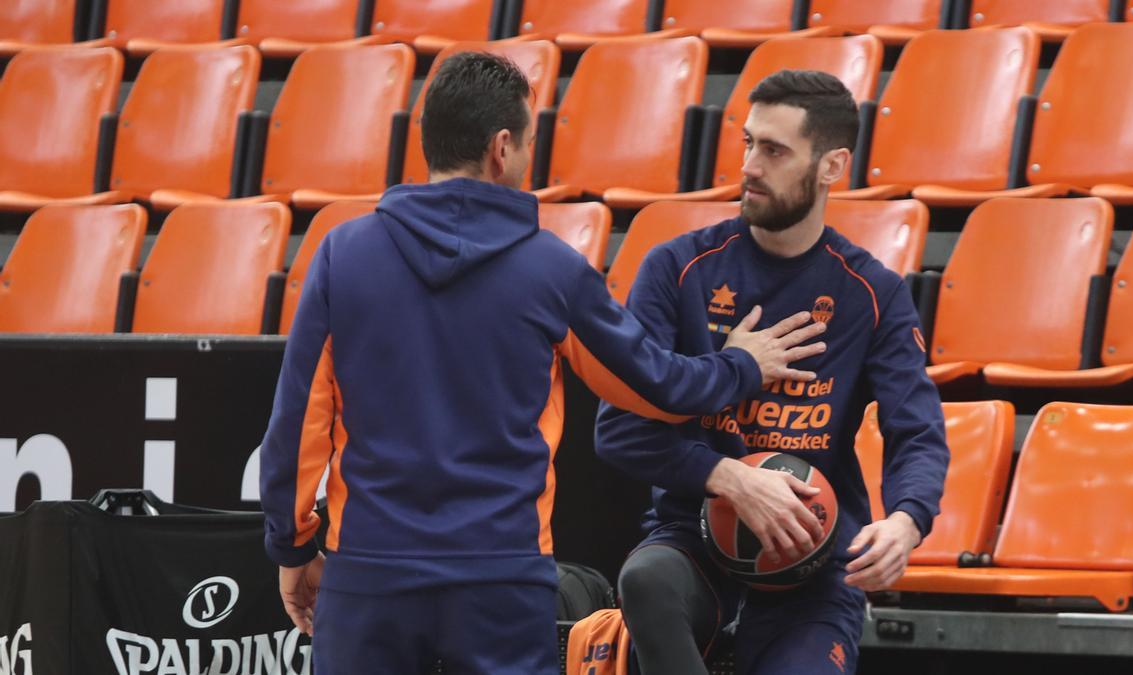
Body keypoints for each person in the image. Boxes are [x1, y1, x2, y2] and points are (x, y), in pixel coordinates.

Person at [258, 52, 829, 675]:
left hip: (367, 574)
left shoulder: (342, 254)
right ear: (502, 148)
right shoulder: (552, 269)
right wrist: (741, 365)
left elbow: (295, 429)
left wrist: (292, 548)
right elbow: (659, 387)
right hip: (500, 579)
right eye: (529, 142)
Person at [595, 69, 951, 675]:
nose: (752, 166)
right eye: (749, 143)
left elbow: (916, 430)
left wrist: (906, 521)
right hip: (694, 539)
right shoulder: (678, 269)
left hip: (812, 560)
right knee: (645, 578)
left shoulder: (873, 293)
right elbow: (618, 431)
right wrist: (729, 477)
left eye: (775, 150)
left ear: (832, 166)